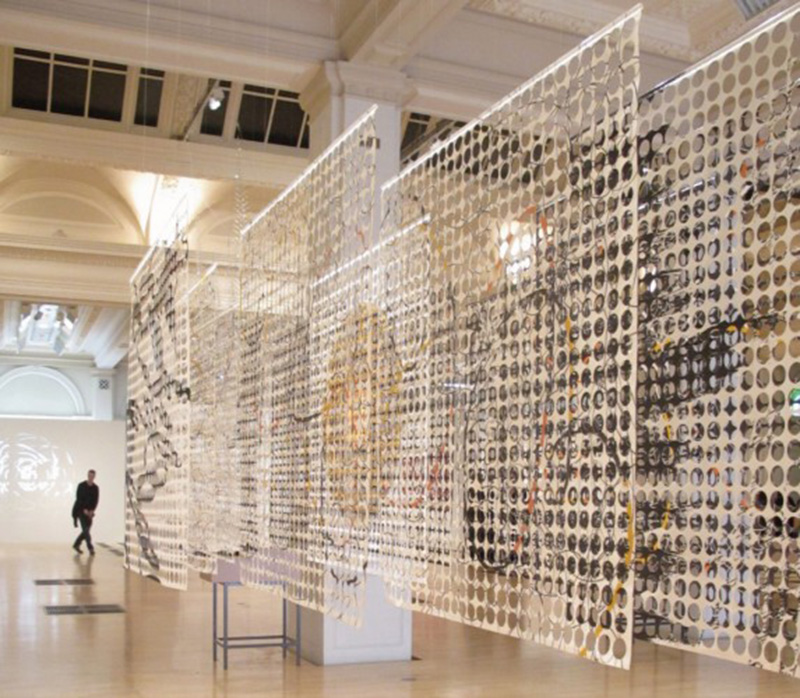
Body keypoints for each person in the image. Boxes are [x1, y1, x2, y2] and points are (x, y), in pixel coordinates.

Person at [71, 469, 99, 555]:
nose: (90, 477)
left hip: (90, 512)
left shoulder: (95, 488)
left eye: (92, 476)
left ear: (94, 477)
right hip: (80, 510)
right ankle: (90, 548)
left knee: (86, 530)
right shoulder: (81, 486)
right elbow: (79, 498)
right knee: (86, 530)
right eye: (89, 475)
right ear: (87, 475)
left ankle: (76, 544)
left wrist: (92, 510)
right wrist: (84, 509)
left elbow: (96, 500)